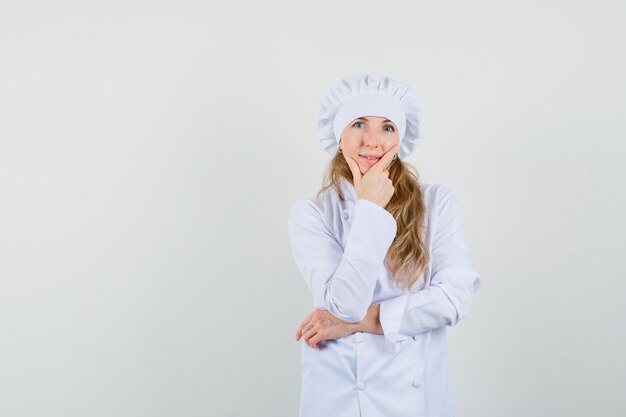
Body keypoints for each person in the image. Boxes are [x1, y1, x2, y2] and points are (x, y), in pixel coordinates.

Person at [287, 74, 482, 417]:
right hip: (337, 398)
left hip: (415, 401)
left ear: (401, 138)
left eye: (387, 127)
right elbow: (344, 303)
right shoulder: (311, 214)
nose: (373, 140)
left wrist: (355, 323)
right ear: (339, 136)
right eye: (359, 123)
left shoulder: (436, 203)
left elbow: (454, 298)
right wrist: (370, 209)